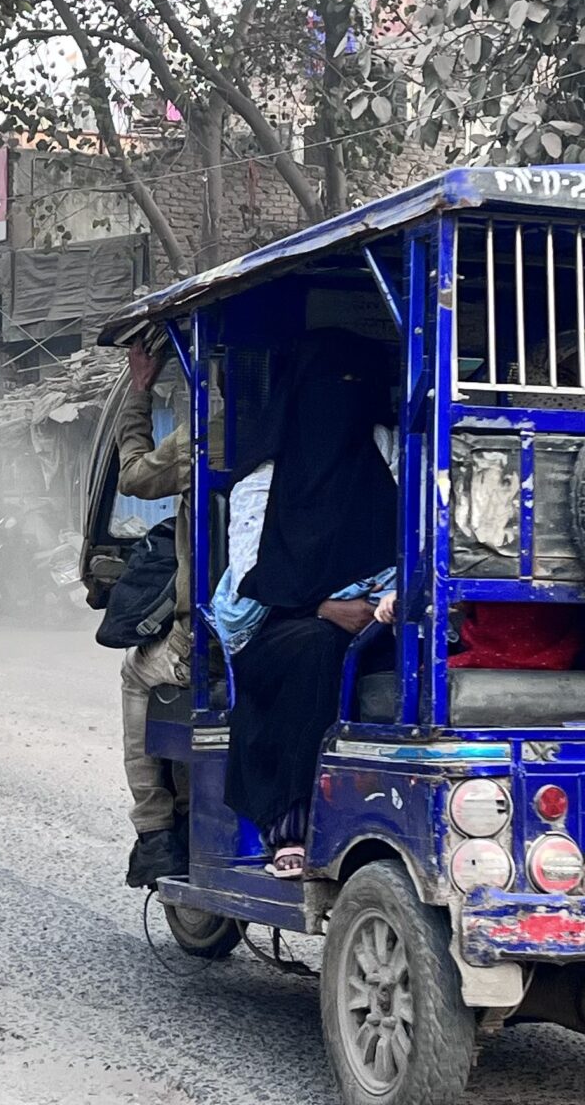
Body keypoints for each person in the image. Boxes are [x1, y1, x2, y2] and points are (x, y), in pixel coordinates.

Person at [225, 333, 400, 880]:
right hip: (283, 628)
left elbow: (418, 535)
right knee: (316, 650)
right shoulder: (262, 481)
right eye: (329, 389)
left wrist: (386, 601)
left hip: (384, 614)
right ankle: (291, 823)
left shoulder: (386, 451)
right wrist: (323, 608)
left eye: (353, 389)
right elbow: (249, 584)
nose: (340, 403)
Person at [113, 339, 195, 889]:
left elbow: (135, 477)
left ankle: (156, 831)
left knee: (137, 674)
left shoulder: (210, 435)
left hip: (214, 637)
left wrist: (139, 394)